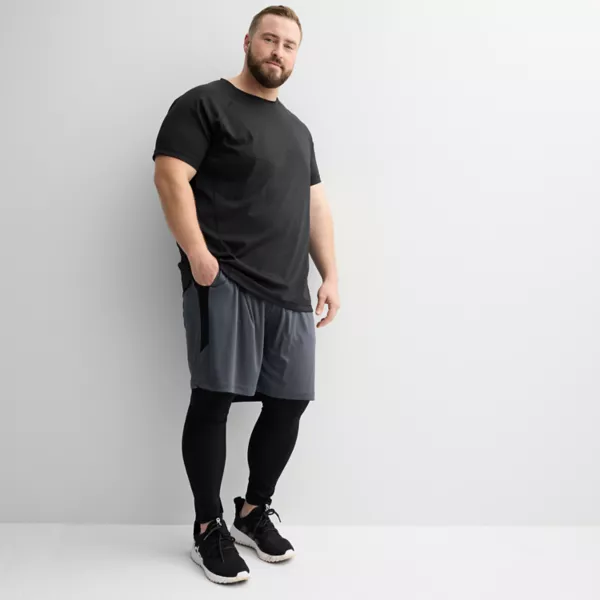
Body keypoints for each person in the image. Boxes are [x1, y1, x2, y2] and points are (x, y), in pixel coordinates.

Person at [152, 5, 340, 585]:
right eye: (269, 39)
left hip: (289, 291)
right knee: (214, 398)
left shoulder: (298, 130)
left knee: (290, 402)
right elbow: (170, 175)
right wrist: (198, 256)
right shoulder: (203, 104)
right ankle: (207, 526)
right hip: (226, 279)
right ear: (248, 41)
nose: (277, 52)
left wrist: (331, 274)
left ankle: (253, 510)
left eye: (289, 44)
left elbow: (315, 204)